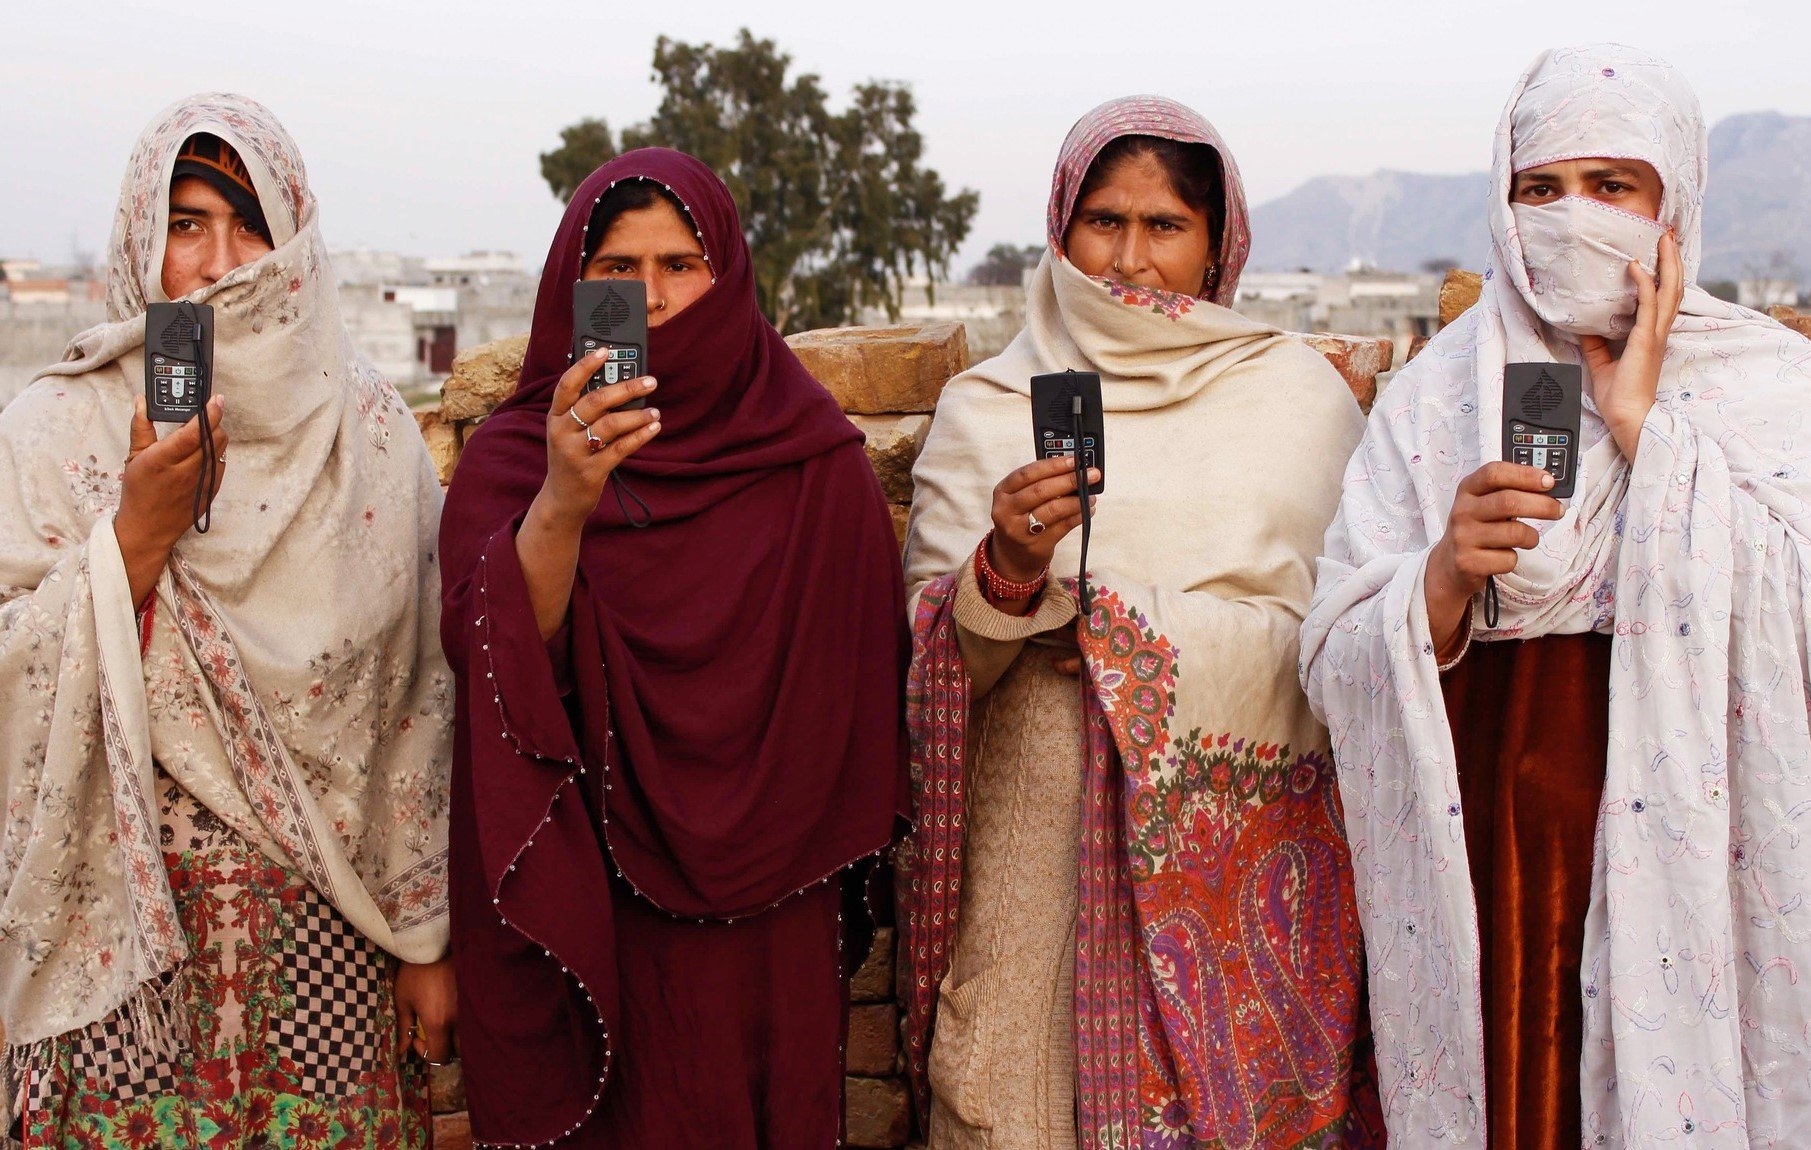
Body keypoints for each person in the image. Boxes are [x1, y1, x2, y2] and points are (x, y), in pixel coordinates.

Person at [1302, 43, 1811, 1147]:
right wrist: (1438, 575)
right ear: (1501, 200)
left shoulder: (1764, 385)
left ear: (1671, 200)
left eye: (1609, 187)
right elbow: (1332, 644)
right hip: (1492, 849)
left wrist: (1640, 425)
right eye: (1539, 188)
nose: (1571, 216)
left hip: (1705, 853)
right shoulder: (1435, 397)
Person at [900, 95, 1382, 1150]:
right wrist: (1011, 568)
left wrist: (1130, 640)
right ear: (1060, 227)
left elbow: (1352, 631)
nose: (1130, 257)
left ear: (1216, 245)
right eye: (1102, 221)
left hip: (1246, 863)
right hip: (1038, 835)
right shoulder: (990, 404)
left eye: (1165, 226)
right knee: (1006, 1101)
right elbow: (934, 657)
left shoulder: (1297, 401)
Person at [0, 93, 454, 1148]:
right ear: (140, 242)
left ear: (295, 238)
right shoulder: (52, 427)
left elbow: (418, 701)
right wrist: (132, 540)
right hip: (120, 943)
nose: (218, 264)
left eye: (248, 223)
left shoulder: (369, 438)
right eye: (187, 226)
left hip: (329, 946)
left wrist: (428, 936)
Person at [439, 148, 908, 1148]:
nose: (647, 297)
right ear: (574, 283)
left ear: (725, 276)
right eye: (615, 269)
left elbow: (859, 679)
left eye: (677, 264)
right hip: (591, 894)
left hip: (769, 917)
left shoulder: (810, 459)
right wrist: (564, 502)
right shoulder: (514, 456)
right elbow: (491, 654)